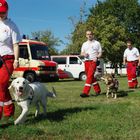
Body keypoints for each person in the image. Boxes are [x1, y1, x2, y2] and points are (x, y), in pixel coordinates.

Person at [0, 0, 21, 121]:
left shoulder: (12, 26)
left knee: (1, 84)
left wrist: (16, 60)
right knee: (2, 86)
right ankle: (9, 110)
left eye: (3, 12)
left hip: (8, 59)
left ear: (7, 10)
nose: (1, 14)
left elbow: (16, 44)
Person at [80, 30, 102, 97]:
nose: (89, 35)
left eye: (90, 34)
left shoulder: (97, 43)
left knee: (89, 76)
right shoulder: (84, 44)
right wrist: (84, 54)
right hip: (86, 61)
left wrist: (97, 57)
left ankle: (85, 92)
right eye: (87, 34)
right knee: (90, 77)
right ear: (86, 35)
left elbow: (100, 53)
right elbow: (81, 53)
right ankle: (98, 90)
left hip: (93, 61)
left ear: (93, 35)